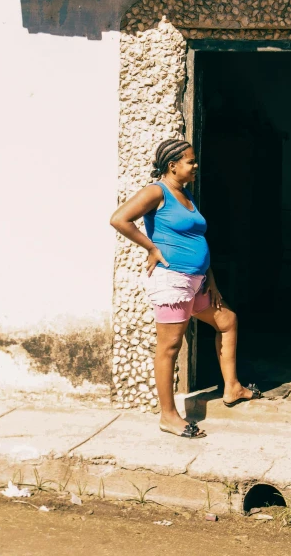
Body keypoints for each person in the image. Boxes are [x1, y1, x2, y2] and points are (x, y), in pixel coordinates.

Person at [110, 139, 261, 438]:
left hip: (197, 281)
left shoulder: (185, 194)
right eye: (190, 161)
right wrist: (151, 248)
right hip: (172, 280)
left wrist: (212, 280)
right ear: (172, 165)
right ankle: (168, 416)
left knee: (227, 321)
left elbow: (196, 242)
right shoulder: (157, 191)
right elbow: (119, 219)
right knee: (170, 347)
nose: (195, 166)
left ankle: (232, 388)